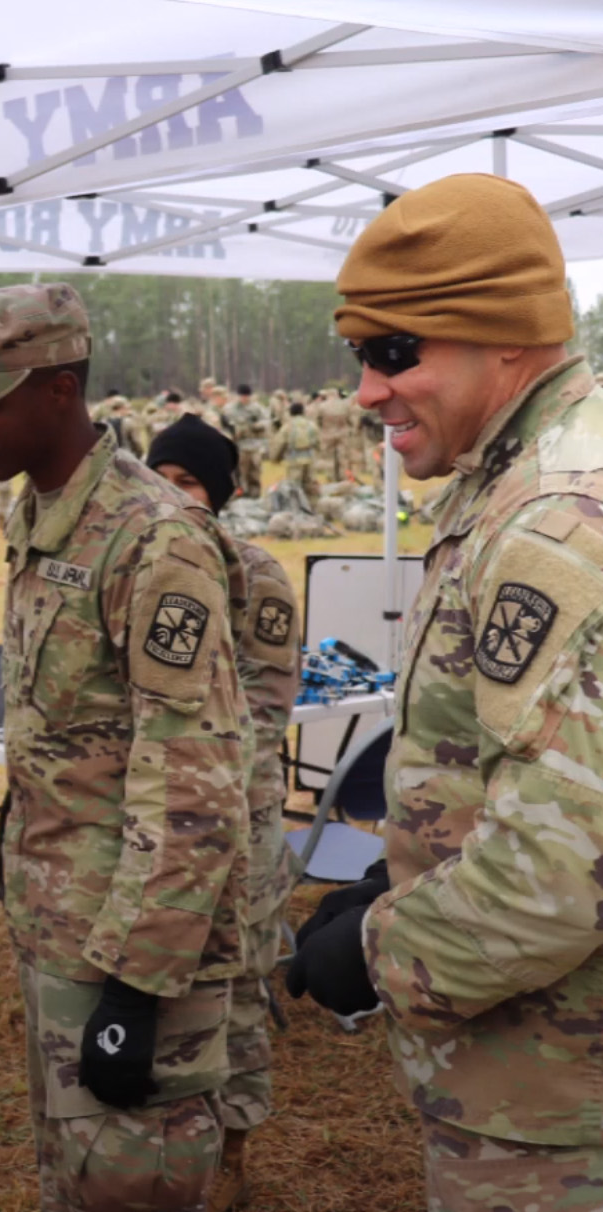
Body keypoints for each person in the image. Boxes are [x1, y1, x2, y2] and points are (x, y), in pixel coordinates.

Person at [285, 173, 603, 1211]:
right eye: (359, 357)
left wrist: (378, 952)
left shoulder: (550, 522)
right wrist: (406, 875)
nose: (367, 391)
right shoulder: (519, 475)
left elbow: (560, 873)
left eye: (394, 353)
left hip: (556, 1107)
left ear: (504, 337)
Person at [0, 282, 251, 1212]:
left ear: (58, 390)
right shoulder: (42, 511)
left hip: (135, 941)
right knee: (79, 1174)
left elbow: (194, 779)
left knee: (132, 1179)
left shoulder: (156, 541)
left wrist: (138, 986)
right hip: (62, 918)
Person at [146, 414, 299, 1212]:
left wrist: (200, 798)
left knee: (238, 990)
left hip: (239, 821)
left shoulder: (256, 575)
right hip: (163, 829)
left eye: (189, 485)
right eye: (159, 481)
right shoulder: (142, 569)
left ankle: (235, 1146)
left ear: (225, 494)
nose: (172, 500)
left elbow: (265, 715)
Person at [221, 385, 271, 501]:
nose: (244, 398)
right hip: (238, 444)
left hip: (254, 444)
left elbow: (266, 422)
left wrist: (255, 426)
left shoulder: (256, 408)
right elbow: (224, 424)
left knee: (255, 470)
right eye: (242, 396)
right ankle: (240, 493)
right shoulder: (230, 409)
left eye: (246, 396)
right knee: (240, 471)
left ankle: (255, 494)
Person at [269, 402, 320, 498]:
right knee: (310, 486)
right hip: (310, 459)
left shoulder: (288, 426)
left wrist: (275, 458)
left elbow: (279, 444)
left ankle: (297, 509)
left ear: (291, 413)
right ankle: (313, 508)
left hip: (295, 460)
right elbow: (318, 443)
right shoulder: (311, 425)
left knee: (294, 487)